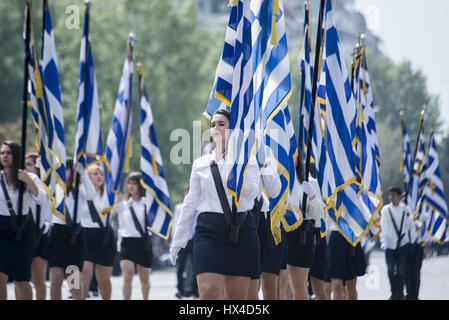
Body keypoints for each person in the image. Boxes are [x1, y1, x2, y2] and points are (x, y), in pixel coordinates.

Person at [170, 109, 260, 300]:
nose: (216, 128)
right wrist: (179, 239)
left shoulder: (247, 159)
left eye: (222, 124)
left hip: (240, 230)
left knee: (236, 299)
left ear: (233, 129)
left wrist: (234, 167)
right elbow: (190, 203)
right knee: (209, 292)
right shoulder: (200, 164)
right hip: (209, 231)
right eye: (213, 125)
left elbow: (253, 193)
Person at [0, 141, 46, 300]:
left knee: (21, 279)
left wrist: (28, 180)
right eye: (2, 153)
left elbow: (42, 198)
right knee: (0, 277)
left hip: (22, 231)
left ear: (16, 155)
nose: (4, 156)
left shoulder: (29, 177)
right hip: (1, 231)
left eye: (9, 153)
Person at [49, 157, 95, 300]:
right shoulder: (55, 187)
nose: (67, 171)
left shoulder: (80, 189)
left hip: (74, 236)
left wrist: (83, 173)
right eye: (65, 168)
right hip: (58, 233)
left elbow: (91, 194)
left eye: (70, 168)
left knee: (73, 281)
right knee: (55, 278)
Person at [286, 154, 324, 300]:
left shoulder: (310, 181)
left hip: (302, 234)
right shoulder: (281, 180)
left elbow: (318, 214)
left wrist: (312, 195)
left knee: (298, 286)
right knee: (283, 286)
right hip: (283, 233)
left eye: (293, 155)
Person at [247, 146, 282, 300]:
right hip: (225, 223)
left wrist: (265, 162)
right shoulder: (213, 152)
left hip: (260, 219)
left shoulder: (263, 151)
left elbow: (274, 191)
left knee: (258, 284)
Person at [80, 164, 116, 300]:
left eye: (101, 174)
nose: (99, 176)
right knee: (84, 274)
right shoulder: (81, 193)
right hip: (86, 236)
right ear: (87, 178)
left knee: (103, 278)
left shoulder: (109, 194)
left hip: (105, 238)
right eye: (95, 174)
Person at [115, 172, 153, 300]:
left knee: (145, 279)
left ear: (140, 185)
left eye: (134, 183)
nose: (131, 186)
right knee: (127, 275)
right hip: (127, 243)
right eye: (129, 183)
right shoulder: (122, 204)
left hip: (143, 243)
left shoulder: (147, 203)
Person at [24, 152, 52, 300]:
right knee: (20, 279)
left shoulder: (44, 186)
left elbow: (42, 199)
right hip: (23, 235)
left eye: (29, 164)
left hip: (41, 235)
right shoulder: (17, 184)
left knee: (38, 280)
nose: (25, 167)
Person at [379, 187, 414, 300]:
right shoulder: (386, 210)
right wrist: (383, 241)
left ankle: (399, 293)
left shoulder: (405, 209)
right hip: (389, 245)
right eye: (390, 195)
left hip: (403, 244)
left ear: (400, 197)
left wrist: (412, 240)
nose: (391, 198)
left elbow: (410, 226)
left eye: (394, 195)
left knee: (401, 270)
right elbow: (383, 227)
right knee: (390, 270)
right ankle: (394, 291)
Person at [172, 185, 199, 299]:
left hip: (194, 239)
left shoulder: (198, 207)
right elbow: (175, 224)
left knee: (196, 266)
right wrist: (174, 240)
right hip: (183, 239)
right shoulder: (179, 207)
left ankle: (194, 289)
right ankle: (180, 289)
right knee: (181, 266)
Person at [402, 193, 427, 300]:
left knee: (415, 273)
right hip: (405, 246)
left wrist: (426, 244)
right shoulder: (401, 212)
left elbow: (424, 229)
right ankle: (409, 293)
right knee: (406, 272)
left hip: (417, 246)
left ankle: (414, 295)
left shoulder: (420, 213)